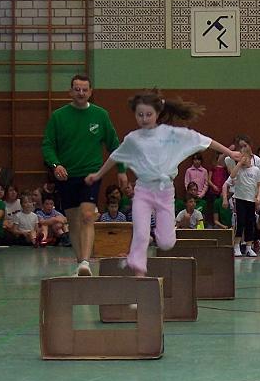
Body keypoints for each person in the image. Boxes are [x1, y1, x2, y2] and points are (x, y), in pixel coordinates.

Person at [85, 90, 240, 274]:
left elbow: (204, 141)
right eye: (140, 115)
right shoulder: (133, 138)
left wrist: (230, 153)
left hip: (165, 191)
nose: (144, 119)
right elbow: (116, 156)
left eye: (148, 114)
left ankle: (153, 237)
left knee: (166, 243)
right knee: (140, 234)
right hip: (143, 191)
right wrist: (98, 174)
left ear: (158, 113)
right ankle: (139, 272)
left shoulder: (171, 134)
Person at [42, 74, 127, 276]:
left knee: (88, 216)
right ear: (70, 92)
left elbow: (115, 145)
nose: (81, 93)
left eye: (84, 89)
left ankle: (86, 262)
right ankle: (81, 263)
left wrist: (121, 170)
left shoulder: (100, 115)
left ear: (90, 92)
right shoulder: (58, 117)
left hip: (91, 175)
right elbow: (47, 145)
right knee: (73, 221)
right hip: (66, 177)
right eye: (77, 89)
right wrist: (55, 165)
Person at [230, 147, 260, 257]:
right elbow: (232, 176)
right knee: (240, 222)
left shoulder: (256, 170)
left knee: (250, 223)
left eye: (245, 157)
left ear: (250, 157)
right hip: (240, 199)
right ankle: (236, 246)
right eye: (241, 157)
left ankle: (249, 247)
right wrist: (239, 164)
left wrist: (259, 197)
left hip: (251, 200)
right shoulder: (238, 168)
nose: (243, 159)